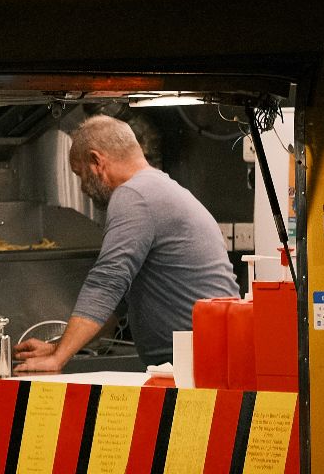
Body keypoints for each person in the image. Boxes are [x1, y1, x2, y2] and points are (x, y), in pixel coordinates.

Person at [15, 114, 238, 373]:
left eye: (80, 174)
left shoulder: (134, 195)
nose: (82, 187)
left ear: (96, 161)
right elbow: (118, 302)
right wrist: (59, 347)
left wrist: (58, 359)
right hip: (206, 359)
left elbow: (107, 281)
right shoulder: (159, 188)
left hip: (198, 366)